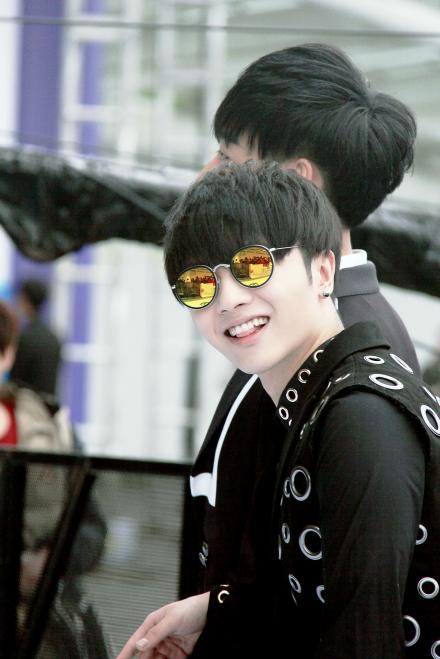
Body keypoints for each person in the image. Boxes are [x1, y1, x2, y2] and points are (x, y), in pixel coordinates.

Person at [118, 162, 440, 658]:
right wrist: (214, 611)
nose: (228, 300)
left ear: (323, 271)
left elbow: (362, 638)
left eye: (252, 265)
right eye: (199, 285)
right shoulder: (310, 403)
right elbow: (309, 594)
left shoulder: (361, 414)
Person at [179, 42, 421, 603]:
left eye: (227, 158)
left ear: (297, 181)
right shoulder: (311, 325)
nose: (206, 176)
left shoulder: (344, 347)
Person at [0, 299, 109, 657]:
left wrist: (52, 562)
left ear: (8, 355)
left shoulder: (52, 427)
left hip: (39, 630)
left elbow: (92, 530)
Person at [10, 278, 61, 397]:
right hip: (49, 404)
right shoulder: (54, 338)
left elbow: (16, 381)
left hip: (27, 404)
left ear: (25, 300)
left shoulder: (26, 338)